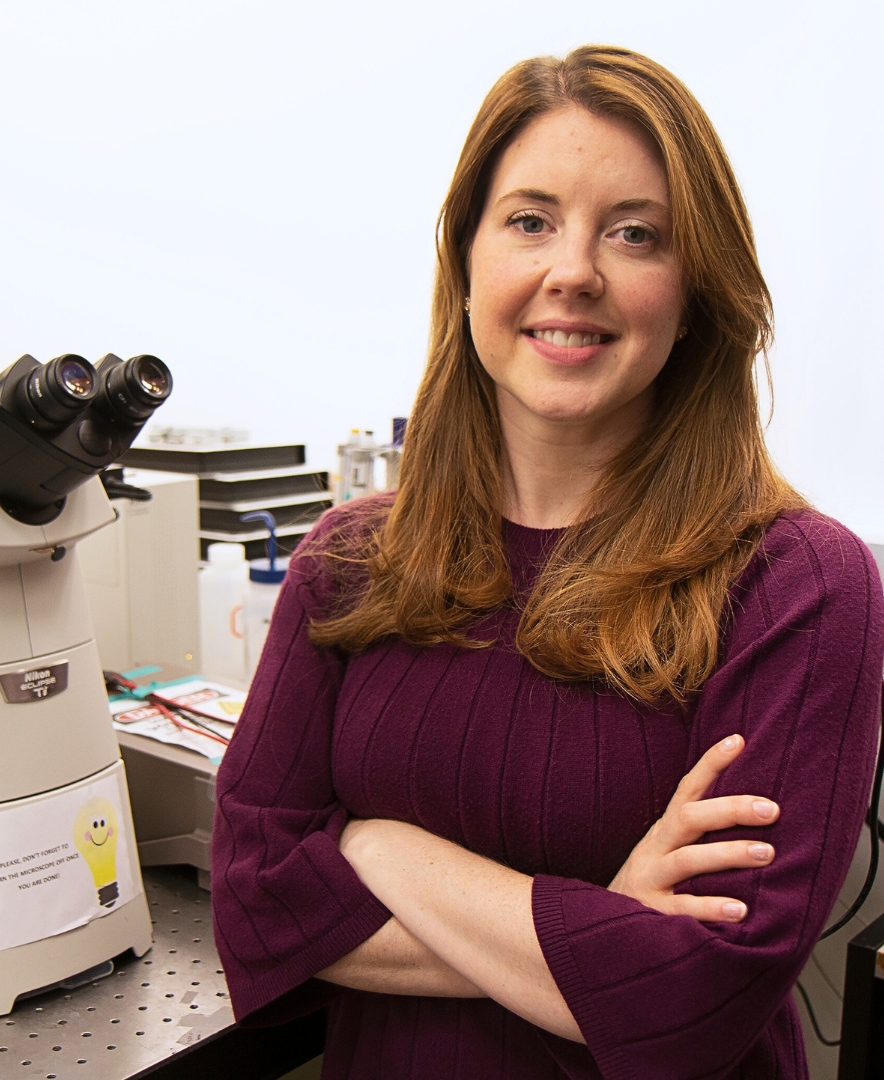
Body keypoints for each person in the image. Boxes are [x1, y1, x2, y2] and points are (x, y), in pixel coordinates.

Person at [211, 45, 884, 1079]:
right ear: (468, 263)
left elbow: (698, 993)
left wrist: (381, 852)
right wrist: (604, 929)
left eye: (635, 233)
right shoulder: (349, 562)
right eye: (530, 221)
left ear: (696, 289)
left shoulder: (797, 584)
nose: (573, 270)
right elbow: (255, 911)